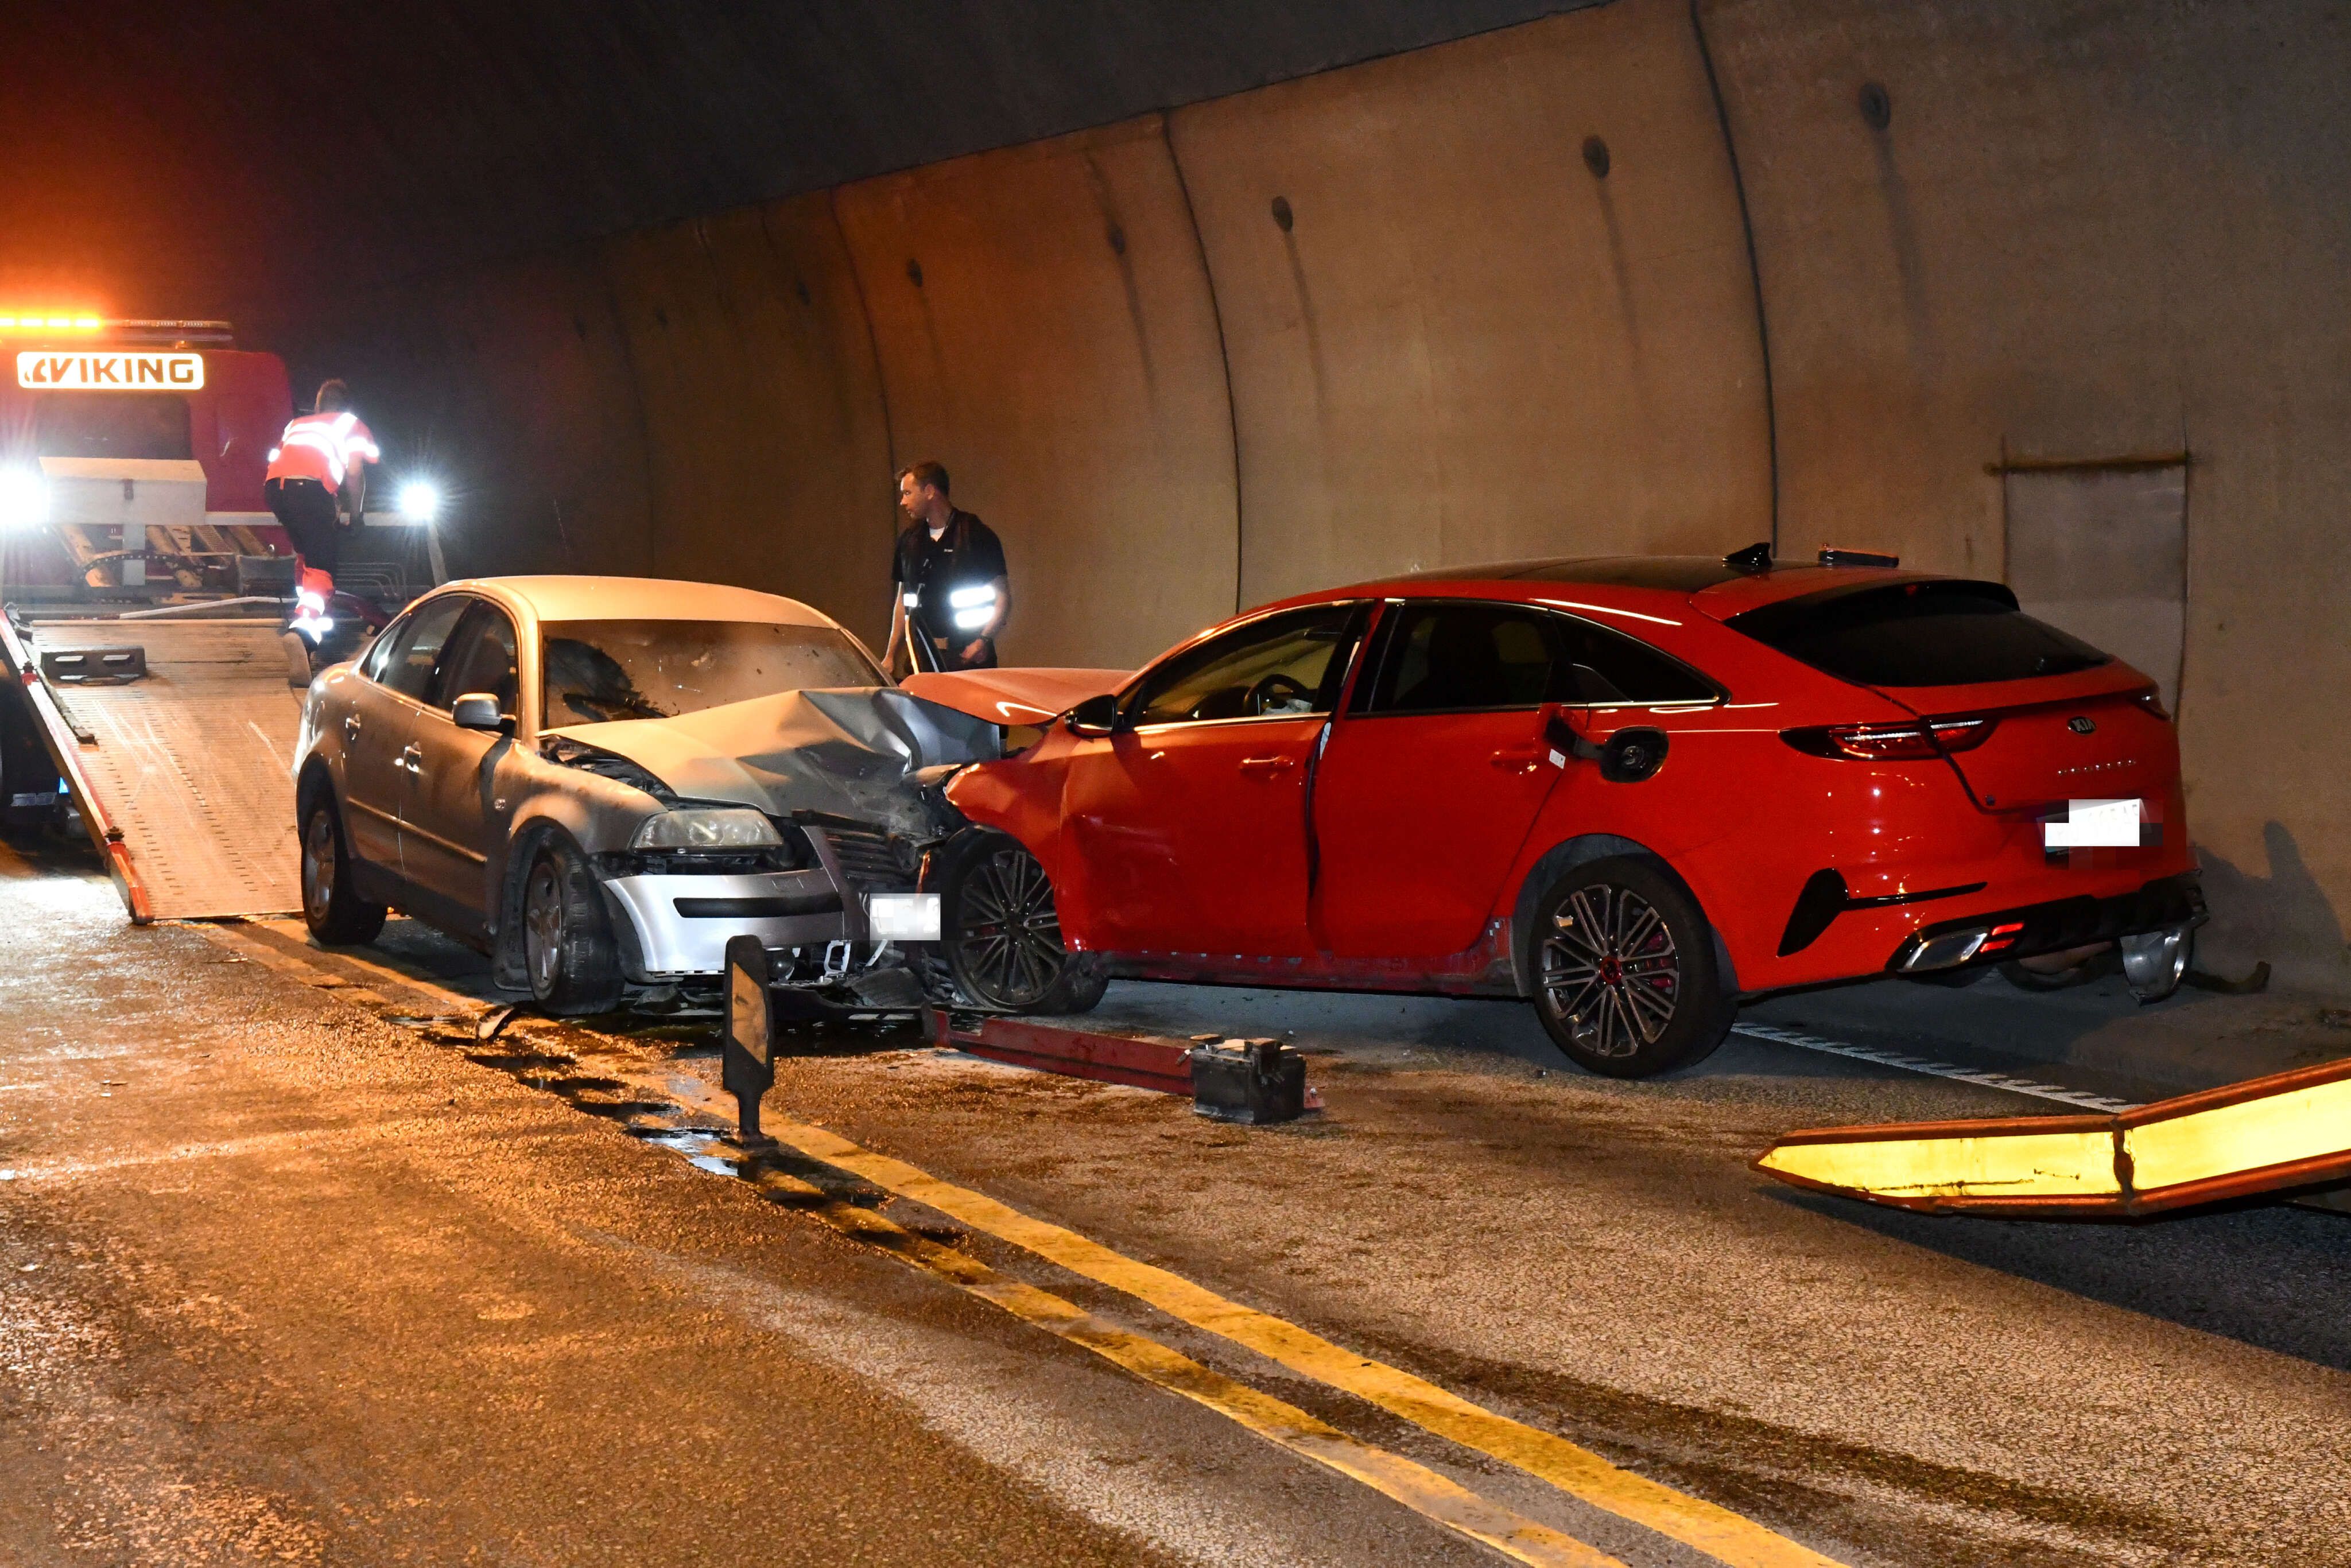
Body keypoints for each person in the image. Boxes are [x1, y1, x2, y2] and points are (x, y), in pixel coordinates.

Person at [263, 379, 379, 619]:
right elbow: (354, 473)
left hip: (275, 489)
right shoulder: (350, 423)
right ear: (347, 408)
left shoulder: (296, 424)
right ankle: (308, 620)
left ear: (317, 406)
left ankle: (305, 602)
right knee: (322, 562)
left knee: (307, 550)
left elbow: (283, 459)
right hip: (309, 489)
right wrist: (356, 517)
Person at [884, 461, 1009, 673]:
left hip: (968, 657)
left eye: (908, 493)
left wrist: (982, 641)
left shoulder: (974, 534)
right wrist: (890, 655)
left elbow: (1003, 597)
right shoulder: (909, 540)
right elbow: (902, 600)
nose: (903, 502)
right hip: (922, 657)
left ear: (930, 491)